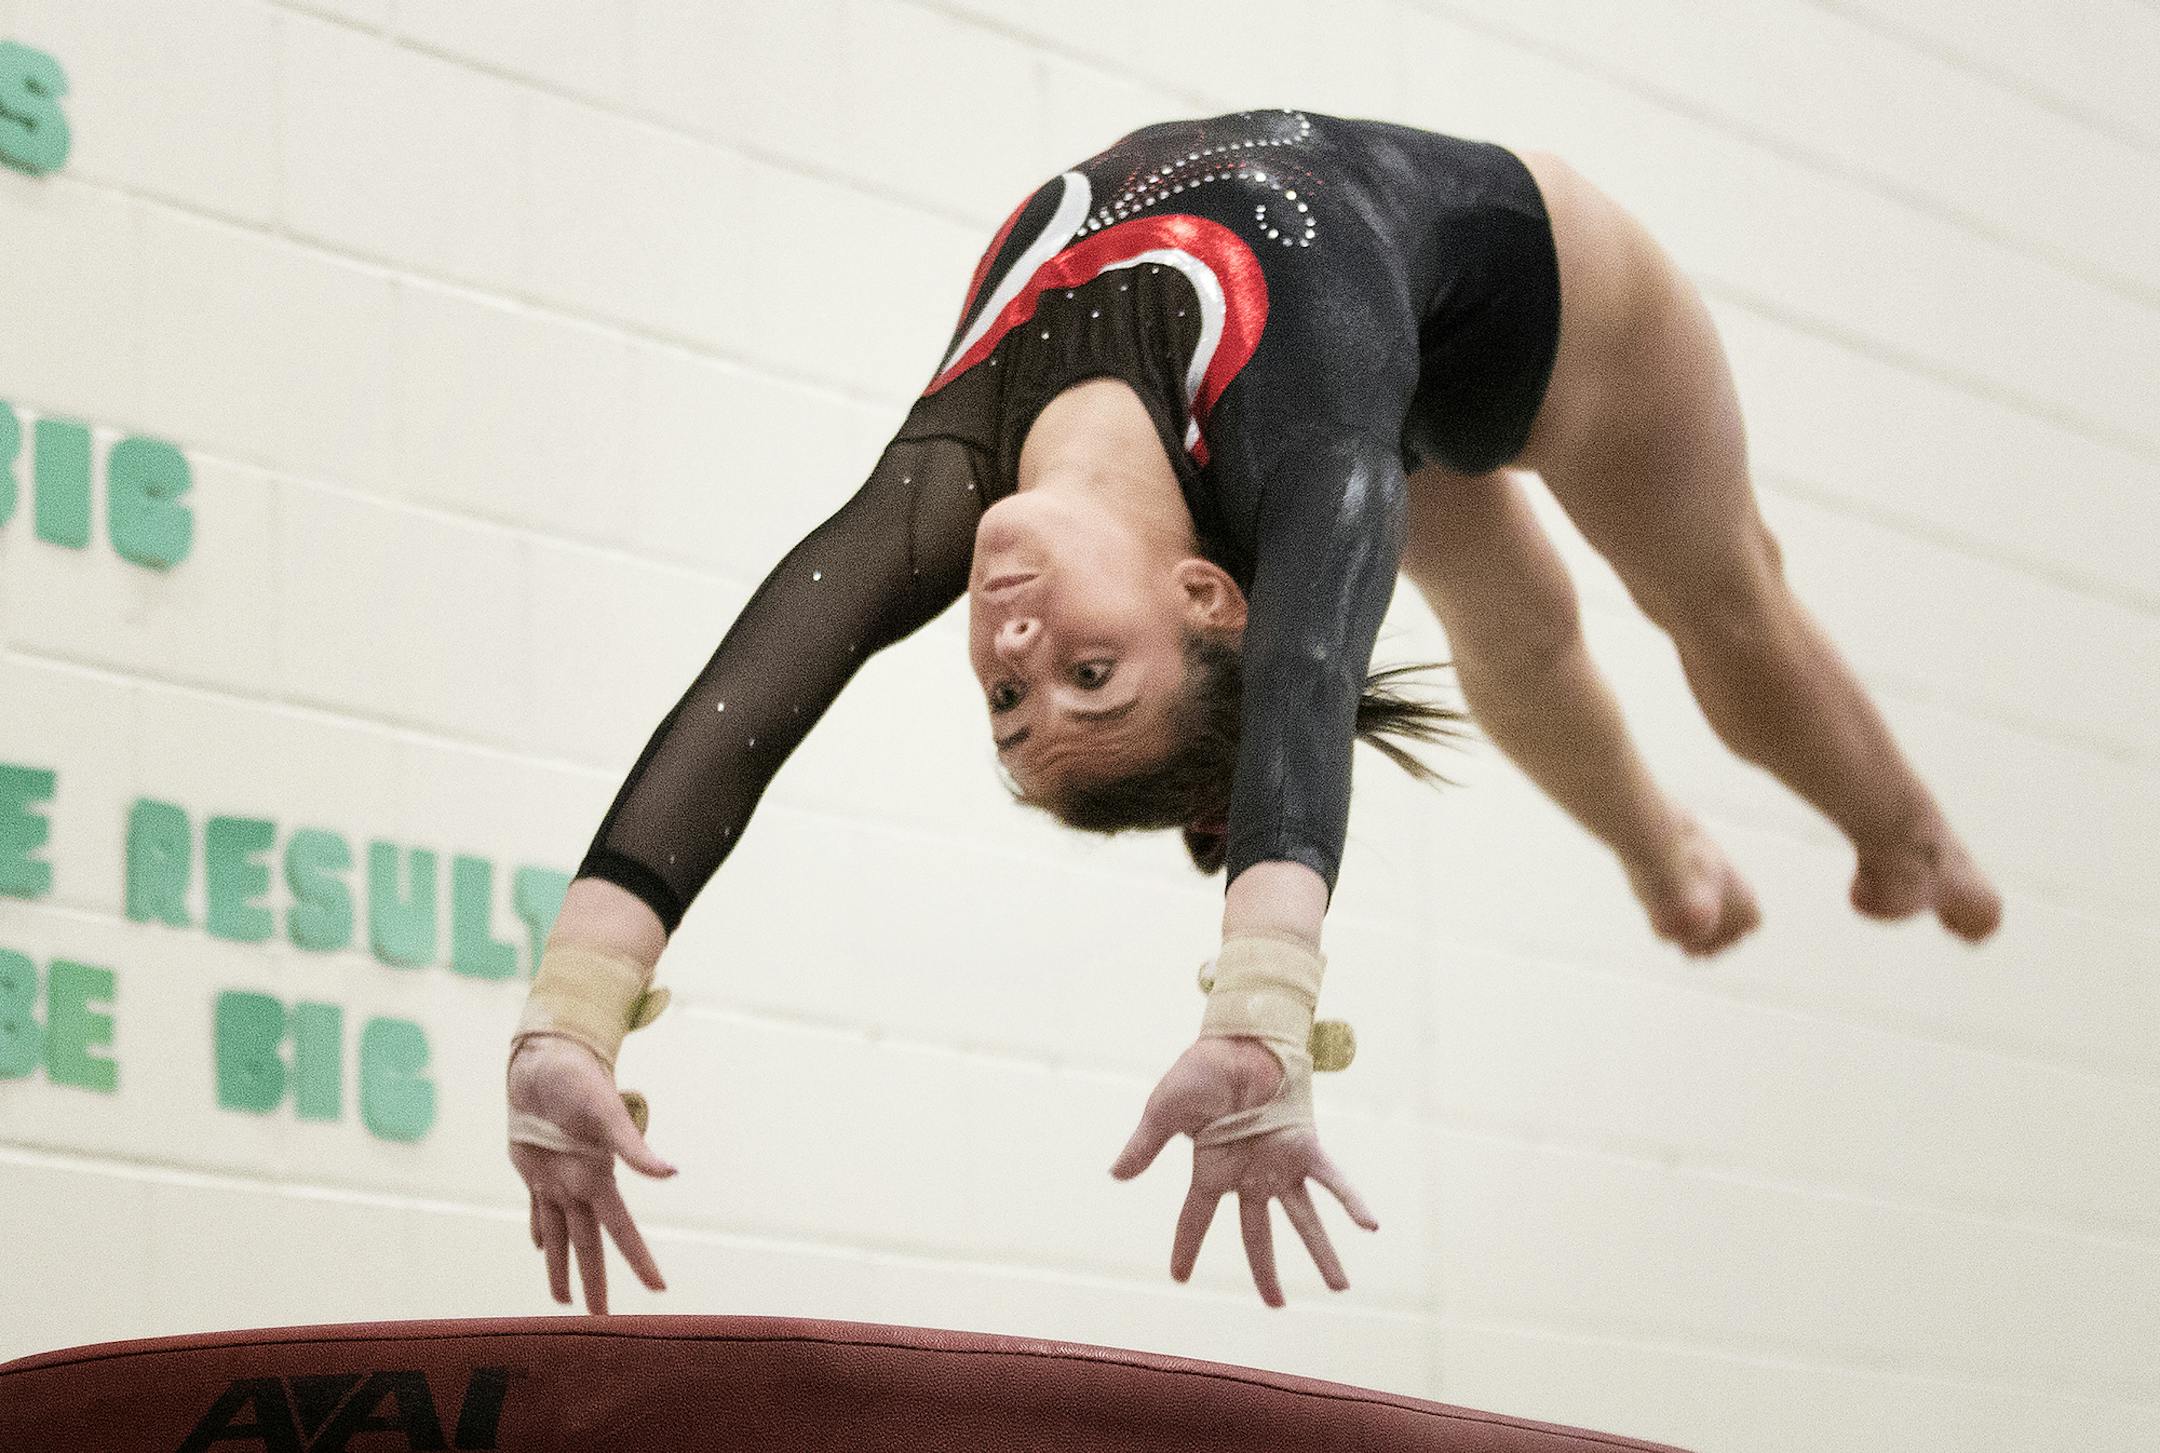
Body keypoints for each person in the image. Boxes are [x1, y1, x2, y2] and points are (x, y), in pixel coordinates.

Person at [505, 109, 2004, 1316]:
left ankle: (1827, 833)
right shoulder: (1305, 451)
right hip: (1550, 304)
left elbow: (747, 693)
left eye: (1011, 698)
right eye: (1089, 675)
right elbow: (1303, 681)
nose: (1015, 646)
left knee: (1627, 612)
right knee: (1606, 618)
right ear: (1216, 597)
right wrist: (1259, 1013)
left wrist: (567, 1017)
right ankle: (1865, 836)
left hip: (1453, 315)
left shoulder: (949, 475)